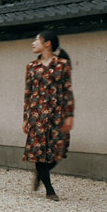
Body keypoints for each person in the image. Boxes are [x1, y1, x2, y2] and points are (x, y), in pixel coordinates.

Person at [22, 29, 74, 201]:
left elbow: (67, 92)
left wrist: (69, 115)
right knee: (39, 152)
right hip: (37, 116)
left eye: (37, 40)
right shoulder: (31, 67)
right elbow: (28, 94)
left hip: (57, 115)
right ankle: (49, 189)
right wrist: (25, 118)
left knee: (59, 150)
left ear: (47, 43)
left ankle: (40, 173)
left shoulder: (62, 65)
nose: (33, 43)